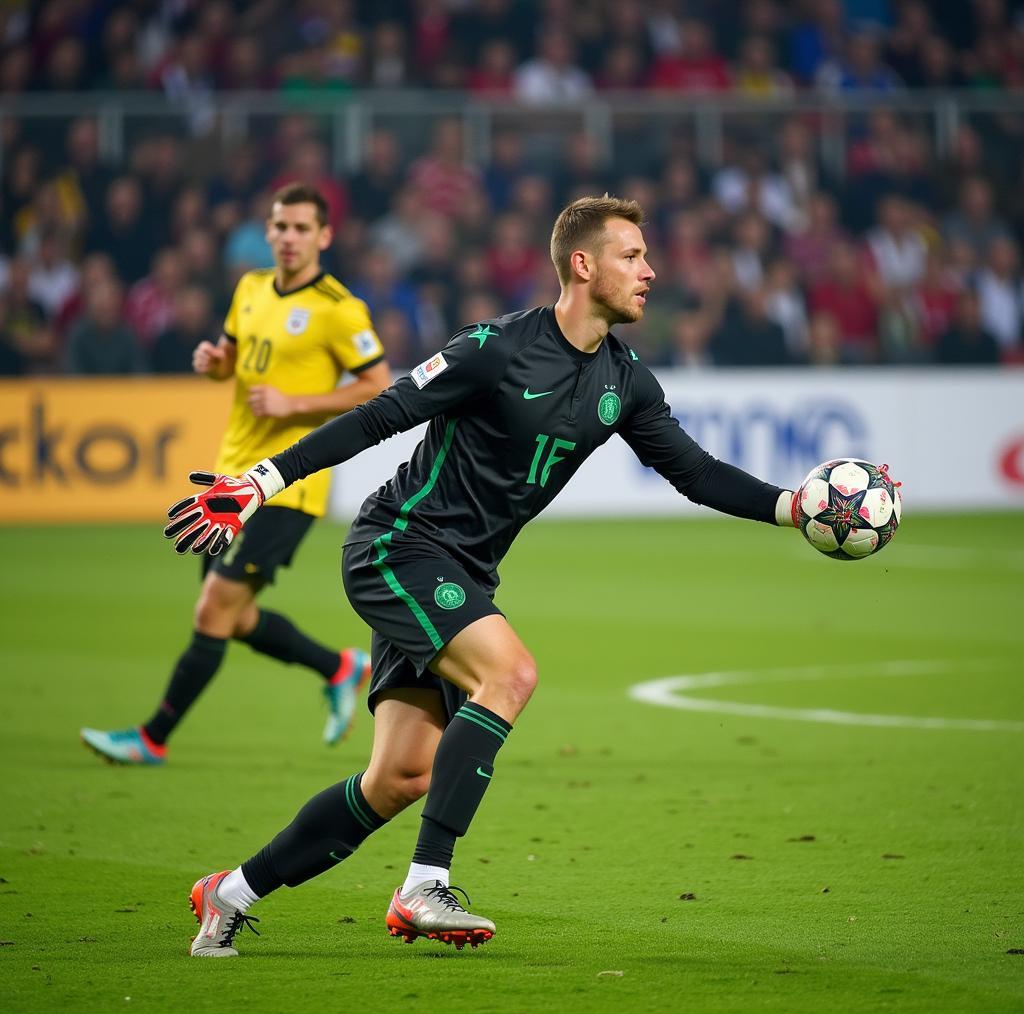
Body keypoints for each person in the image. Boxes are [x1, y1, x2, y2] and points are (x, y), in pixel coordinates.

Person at [164, 196, 802, 957]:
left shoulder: (626, 380)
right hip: (397, 546)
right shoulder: (494, 348)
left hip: (462, 571)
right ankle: (423, 886)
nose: (650, 271)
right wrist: (261, 481)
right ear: (582, 264)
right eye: (632, 256)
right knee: (511, 674)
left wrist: (794, 507)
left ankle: (229, 894)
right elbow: (379, 415)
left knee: (399, 778)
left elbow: (695, 472)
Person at [80, 183, 391, 765]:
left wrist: (295, 404)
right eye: (281, 227)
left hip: (290, 485)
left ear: (324, 237)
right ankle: (341, 667)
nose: (289, 238)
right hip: (229, 481)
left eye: (302, 228)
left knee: (212, 610)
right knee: (232, 616)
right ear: (267, 232)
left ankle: (152, 738)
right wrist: (215, 363)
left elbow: (378, 383)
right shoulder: (249, 288)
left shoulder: (338, 308)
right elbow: (232, 360)